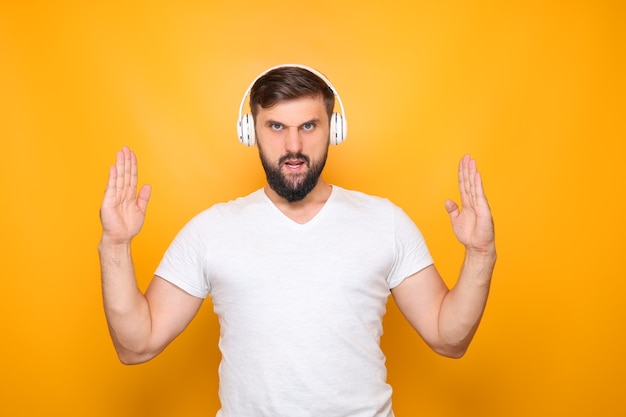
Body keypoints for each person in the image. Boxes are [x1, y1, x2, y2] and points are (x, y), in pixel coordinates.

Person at [98, 64, 496, 417]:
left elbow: (449, 339)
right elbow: (137, 345)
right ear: (249, 131)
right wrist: (116, 245)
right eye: (276, 126)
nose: (293, 146)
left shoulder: (384, 221)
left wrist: (479, 254)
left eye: (308, 126)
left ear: (334, 129)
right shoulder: (211, 230)